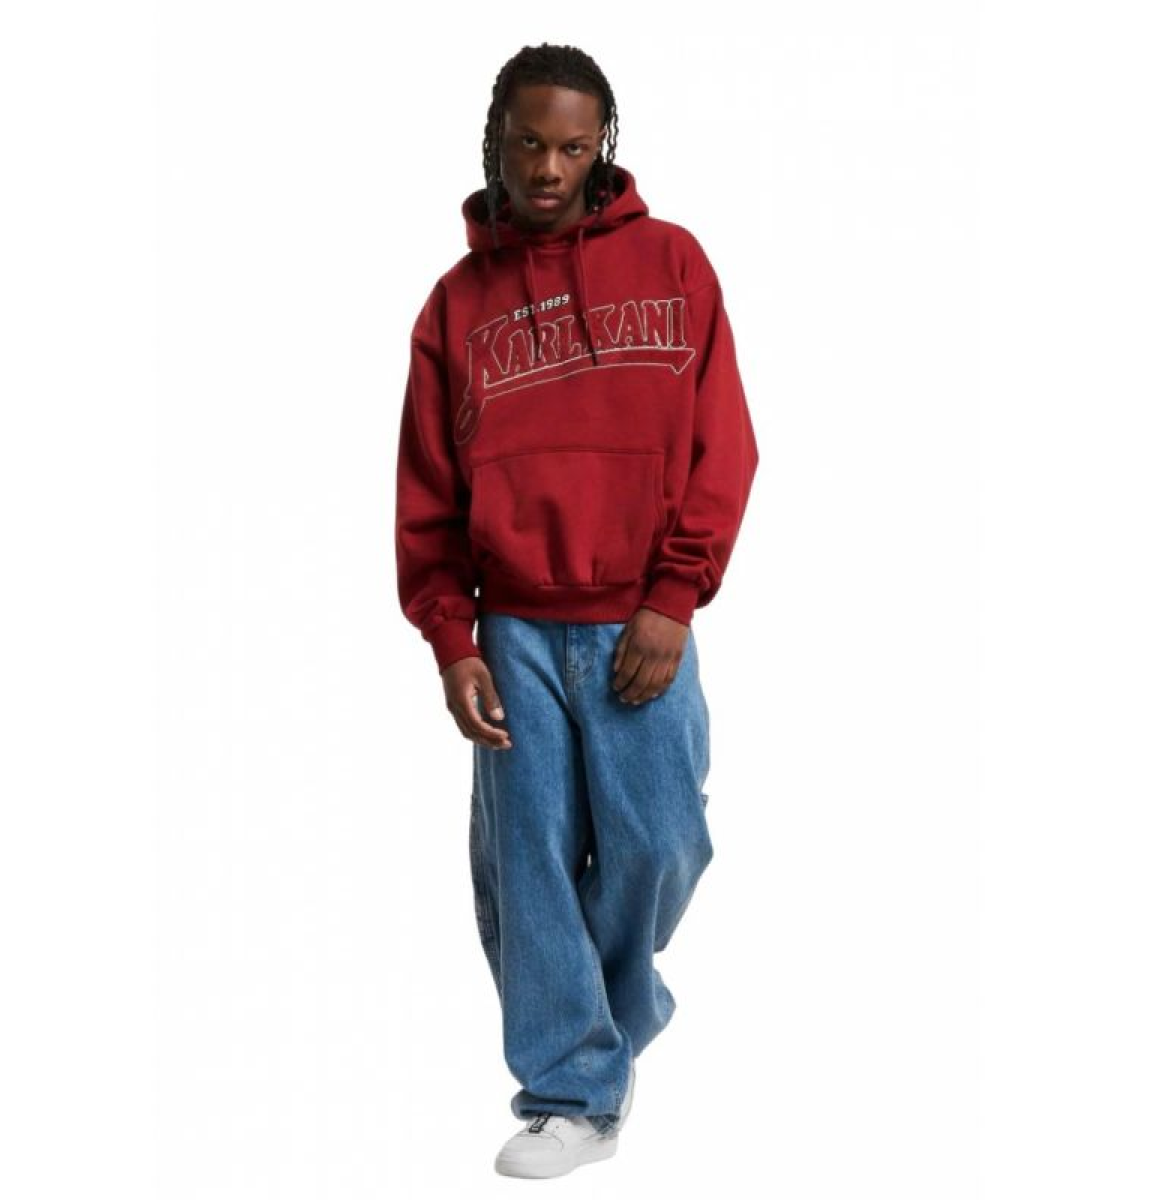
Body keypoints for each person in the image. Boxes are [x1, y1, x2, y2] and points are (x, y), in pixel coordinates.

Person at [394, 43, 759, 1179]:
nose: (548, 168)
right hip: (512, 628)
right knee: (531, 863)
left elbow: (725, 446)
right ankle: (573, 1093)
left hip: (639, 620)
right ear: (495, 140)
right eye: (527, 143)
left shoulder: (673, 262)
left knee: (664, 842)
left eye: (571, 145)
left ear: (603, 145)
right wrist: (451, 641)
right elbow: (427, 495)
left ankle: (600, 1018)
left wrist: (674, 594)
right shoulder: (455, 307)